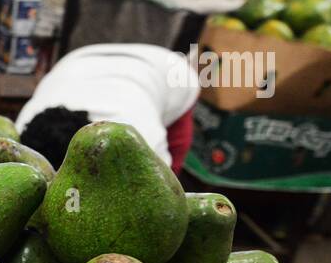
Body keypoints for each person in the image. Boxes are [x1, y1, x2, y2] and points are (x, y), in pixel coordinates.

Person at [16, 43, 198, 173]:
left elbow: (165, 191)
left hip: (173, 73)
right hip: (81, 58)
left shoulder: (141, 140)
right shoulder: (23, 128)